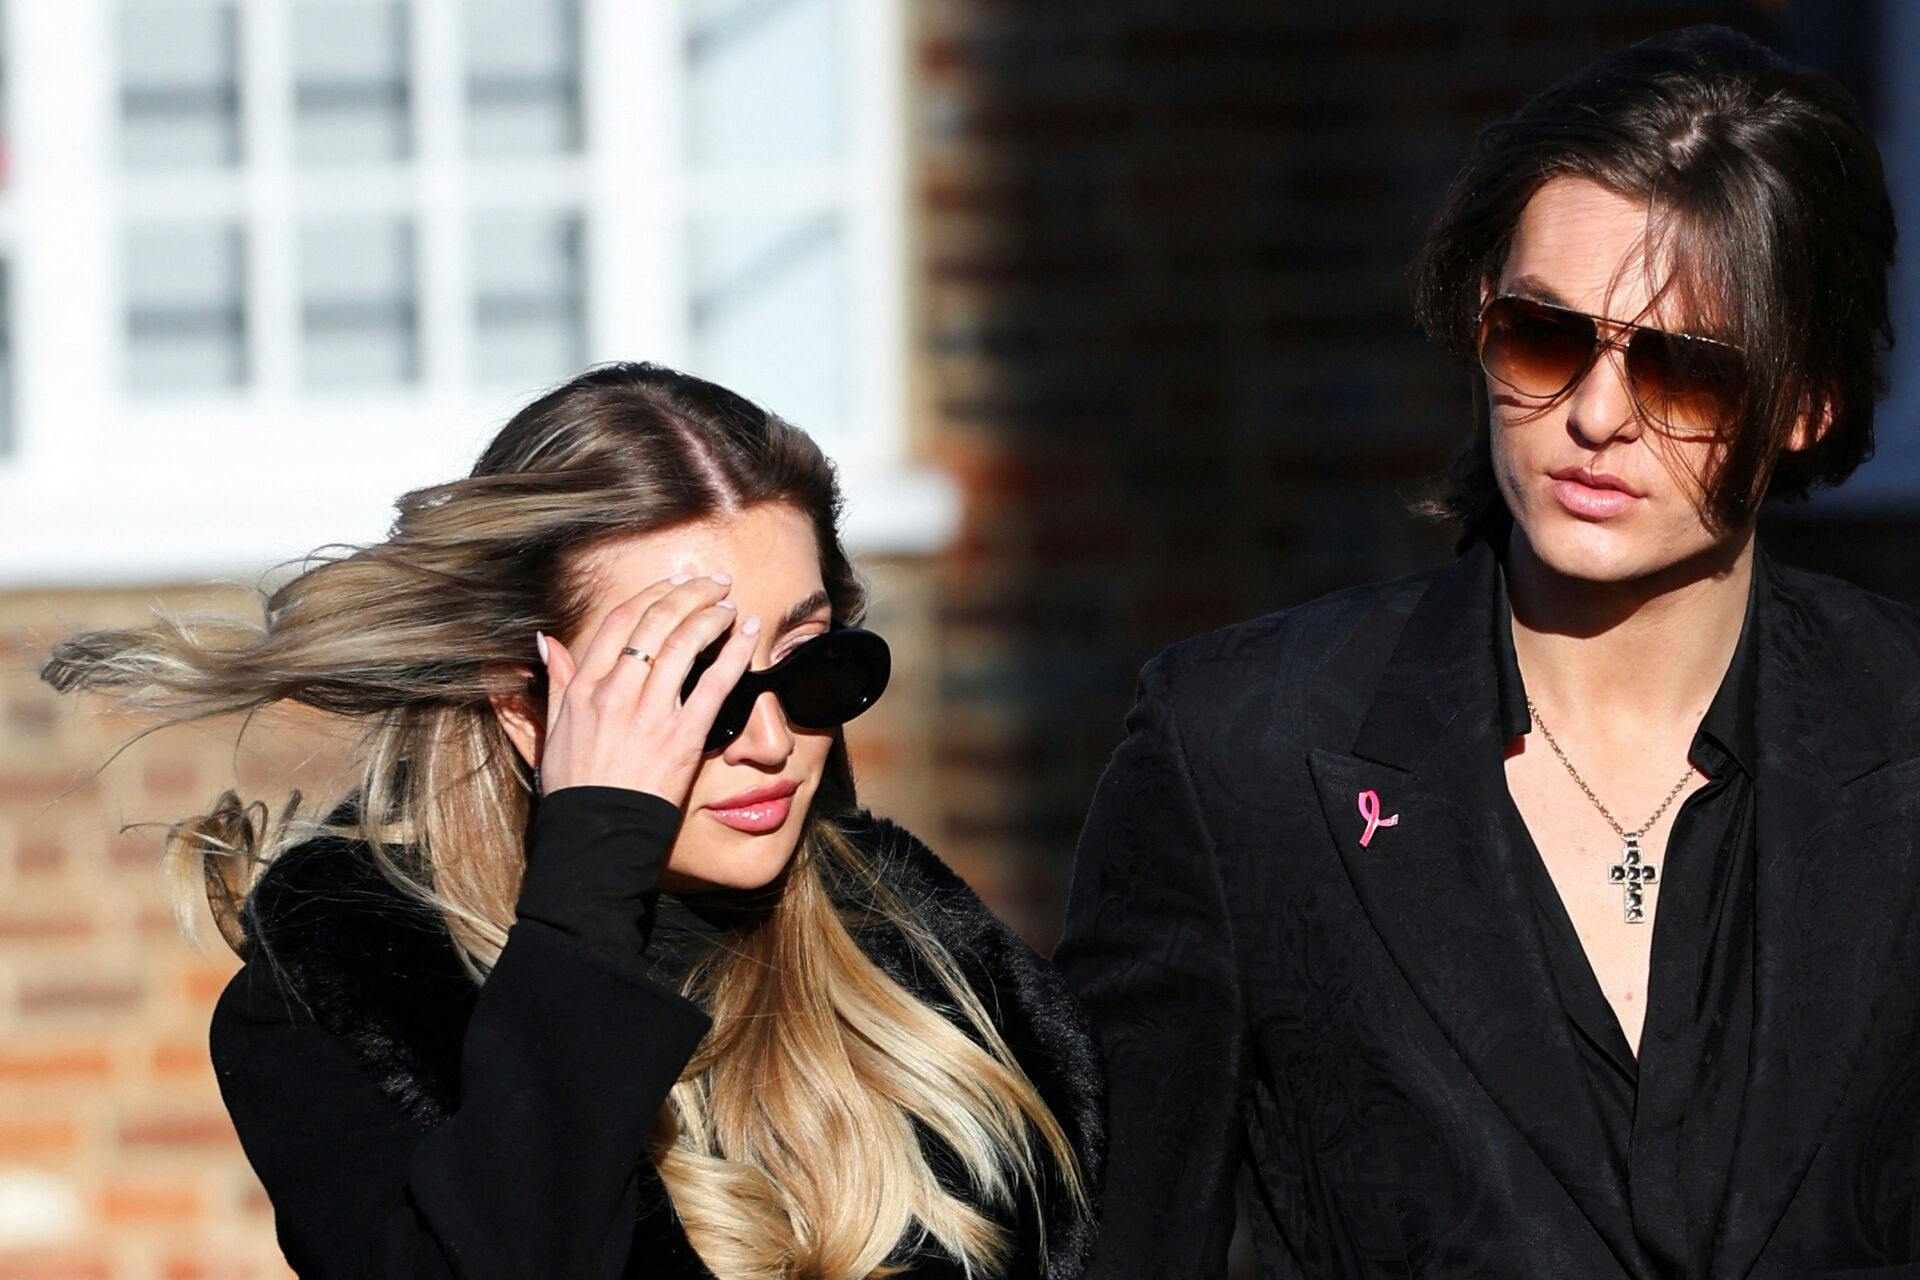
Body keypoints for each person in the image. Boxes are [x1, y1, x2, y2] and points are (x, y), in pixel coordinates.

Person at [1055, 24, 1914, 1278]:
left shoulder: (1900, 731)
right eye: (1545, 337)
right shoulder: (1244, 752)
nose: (1598, 414)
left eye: (1688, 370)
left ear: (1807, 404)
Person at [42, 362, 1101, 1278]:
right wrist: (594, 859)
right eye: (694, 685)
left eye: (815, 665)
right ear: (523, 704)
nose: (770, 740)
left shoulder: (925, 952)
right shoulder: (351, 1004)